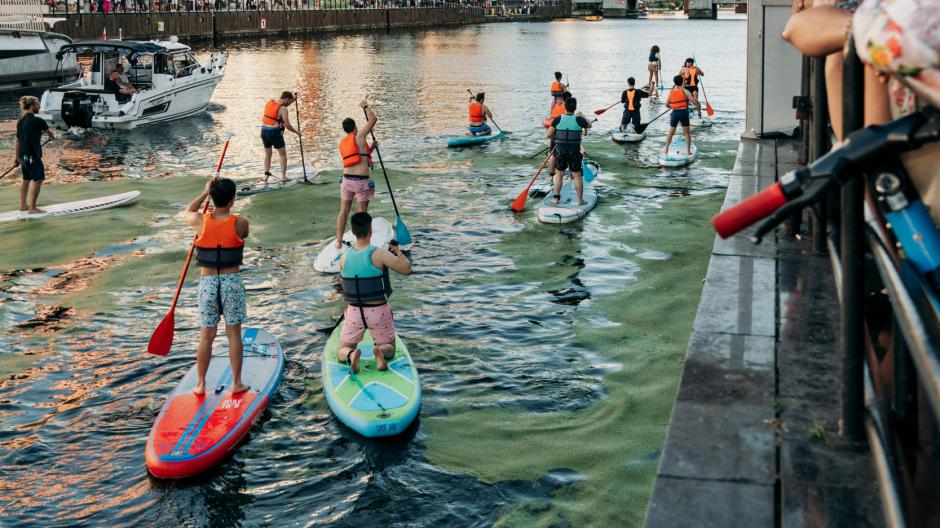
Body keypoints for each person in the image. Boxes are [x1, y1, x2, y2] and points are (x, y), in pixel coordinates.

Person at [185, 177, 250, 396]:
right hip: (231, 282)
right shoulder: (241, 222)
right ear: (233, 199)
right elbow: (243, 235)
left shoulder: (200, 221)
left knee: (206, 335)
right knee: (233, 335)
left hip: (208, 283)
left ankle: (200, 384)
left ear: (212, 197)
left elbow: (189, 211)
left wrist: (204, 193)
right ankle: (237, 383)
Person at [337, 211, 413, 373]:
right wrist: (397, 251)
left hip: (355, 312)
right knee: (389, 347)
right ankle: (380, 352)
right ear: (370, 230)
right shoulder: (380, 254)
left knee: (342, 350)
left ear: (353, 231)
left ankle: (351, 355)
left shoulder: (344, 257)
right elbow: (407, 270)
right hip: (378, 311)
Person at [336, 101, 378, 249]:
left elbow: (358, 157)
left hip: (346, 180)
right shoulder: (360, 136)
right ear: (355, 127)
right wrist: (365, 107)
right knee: (362, 214)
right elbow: (373, 119)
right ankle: (363, 244)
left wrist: (371, 148)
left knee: (344, 211)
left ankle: (339, 241)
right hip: (361, 182)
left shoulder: (342, 142)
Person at [547, 97, 592, 206]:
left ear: (564, 107)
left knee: (559, 174)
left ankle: (556, 198)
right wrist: (582, 115)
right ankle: (580, 201)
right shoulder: (579, 120)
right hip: (574, 152)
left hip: (561, 151)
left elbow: (549, 134)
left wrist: (558, 136)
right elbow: (589, 125)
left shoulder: (557, 119)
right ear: (575, 107)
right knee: (577, 176)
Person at [14, 96, 54, 214]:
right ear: (32, 106)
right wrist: (51, 136)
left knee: (26, 179)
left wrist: (17, 157)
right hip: (32, 156)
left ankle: (23, 206)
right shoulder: (38, 120)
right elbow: (50, 134)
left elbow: (18, 141)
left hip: (23, 156)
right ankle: (32, 208)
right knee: (38, 179)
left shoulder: (20, 121)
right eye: (37, 104)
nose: (40, 106)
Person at [260, 91, 301, 185]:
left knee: (268, 153)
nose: (290, 104)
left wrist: (294, 99)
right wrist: (297, 132)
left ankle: (266, 176)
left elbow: (283, 104)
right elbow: (287, 125)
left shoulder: (270, 102)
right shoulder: (283, 109)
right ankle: (283, 176)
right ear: (287, 99)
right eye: (290, 102)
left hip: (263, 131)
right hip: (274, 132)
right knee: (282, 154)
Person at [663, 75, 701, 156]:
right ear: (683, 81)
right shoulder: (686, 91)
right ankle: (688, 151)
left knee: (671, 132)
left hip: (675, 113)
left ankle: (666, 150)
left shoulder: (671, 91)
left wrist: (673, 107)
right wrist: (695, 96)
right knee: (687, 133)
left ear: (675, 83)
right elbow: (695, 103)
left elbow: (666, 104)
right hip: (683, 112)